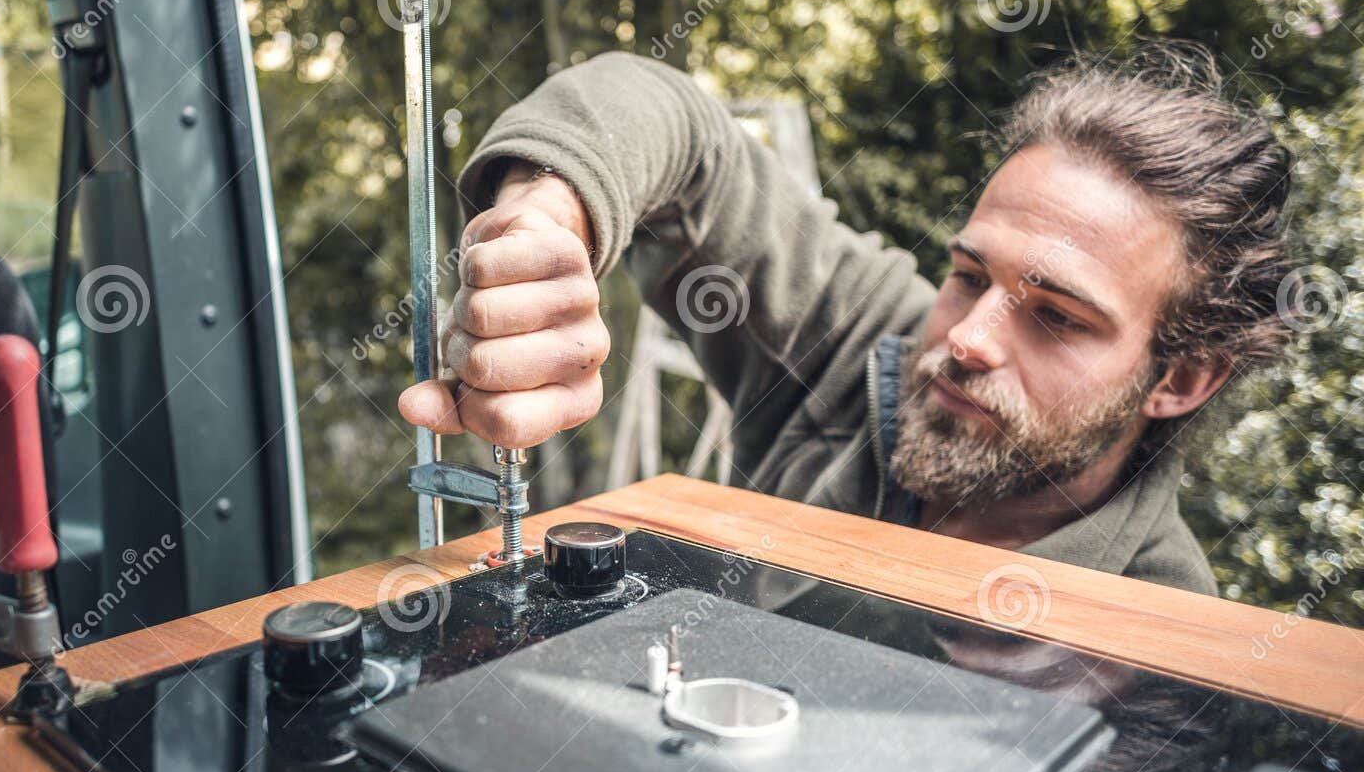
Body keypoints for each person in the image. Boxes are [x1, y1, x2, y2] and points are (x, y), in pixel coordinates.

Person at [398, 44, 1295, 594]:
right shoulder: (859, 337)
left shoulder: (1170, 634)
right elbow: (667, 118)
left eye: (1056, 318)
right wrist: (551, 217)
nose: (969, 339)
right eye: (967, 273)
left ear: (1178, 377)